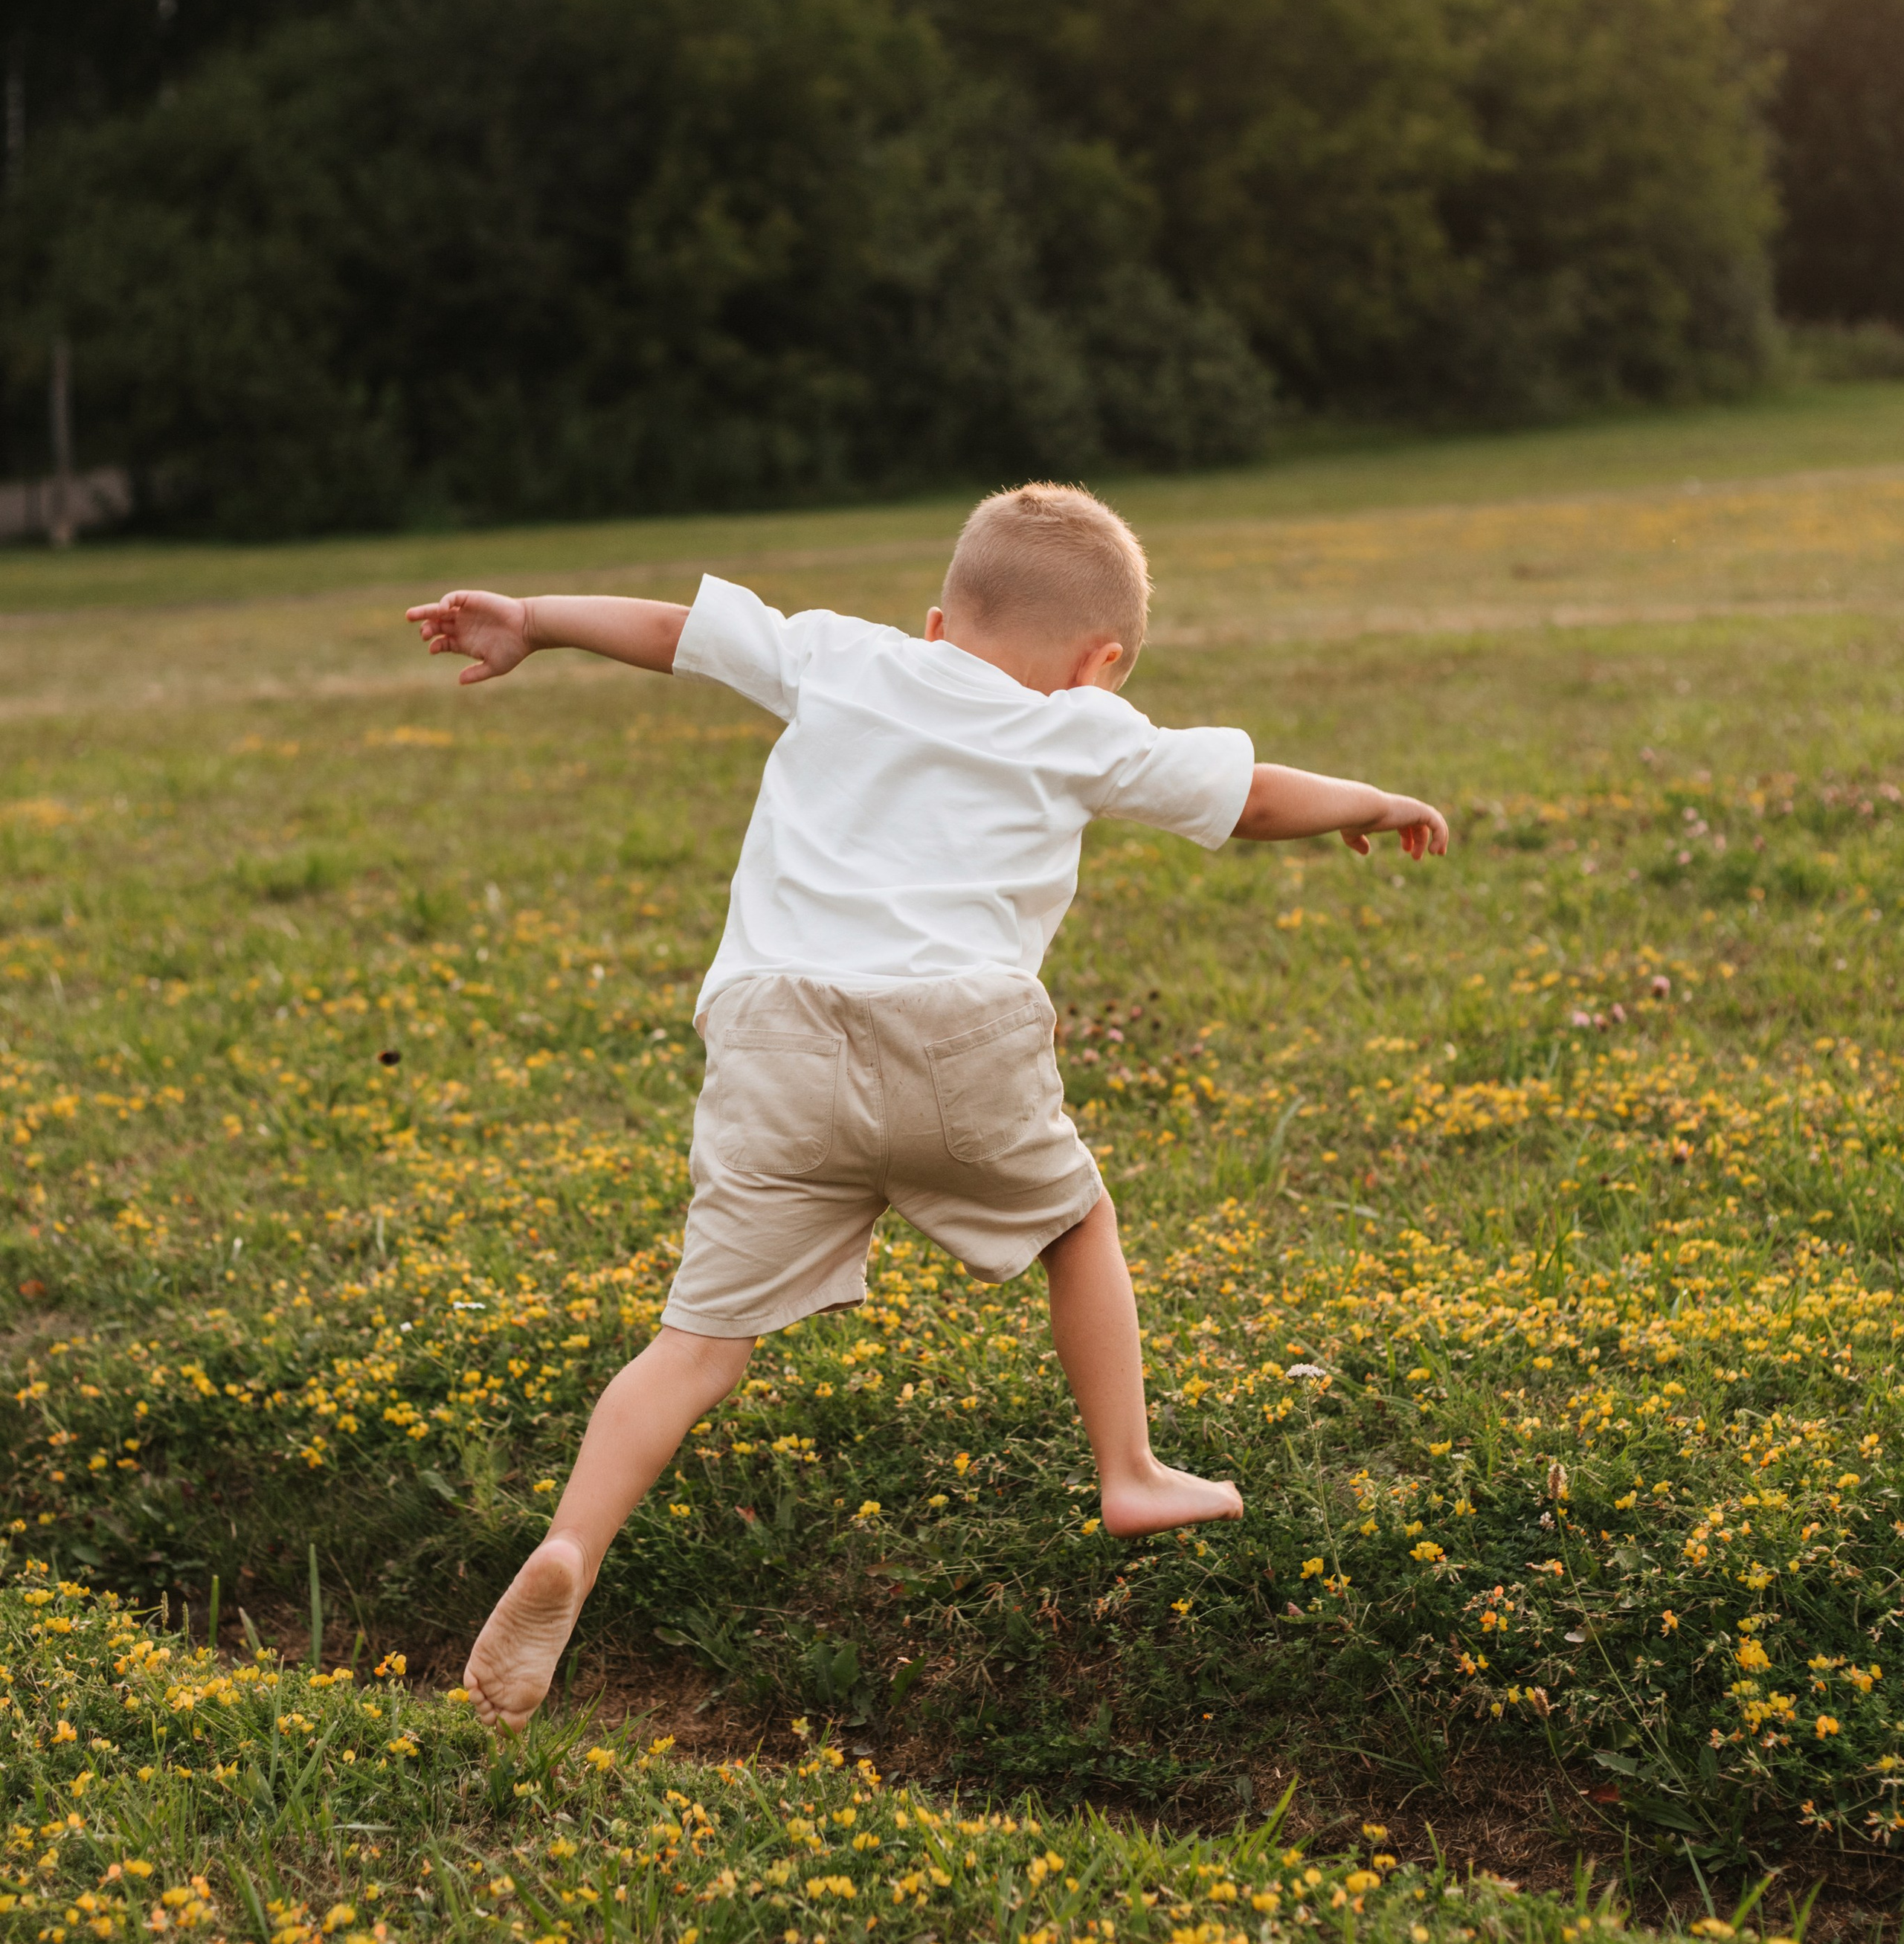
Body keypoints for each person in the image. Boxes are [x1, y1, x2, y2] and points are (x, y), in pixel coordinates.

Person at [407, 483, 1447, 1731]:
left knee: (695, 1347)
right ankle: (1130, 1470)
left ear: (939, 621)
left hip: (777, 1037)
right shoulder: (1081, 725)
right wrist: (1375, 801)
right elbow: (1253, 799)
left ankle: (574, 1544)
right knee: (1078, 1230)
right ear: (1100, 665)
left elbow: (674, 629)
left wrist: (530, 616)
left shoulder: (845, 656)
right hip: (962, 1038)